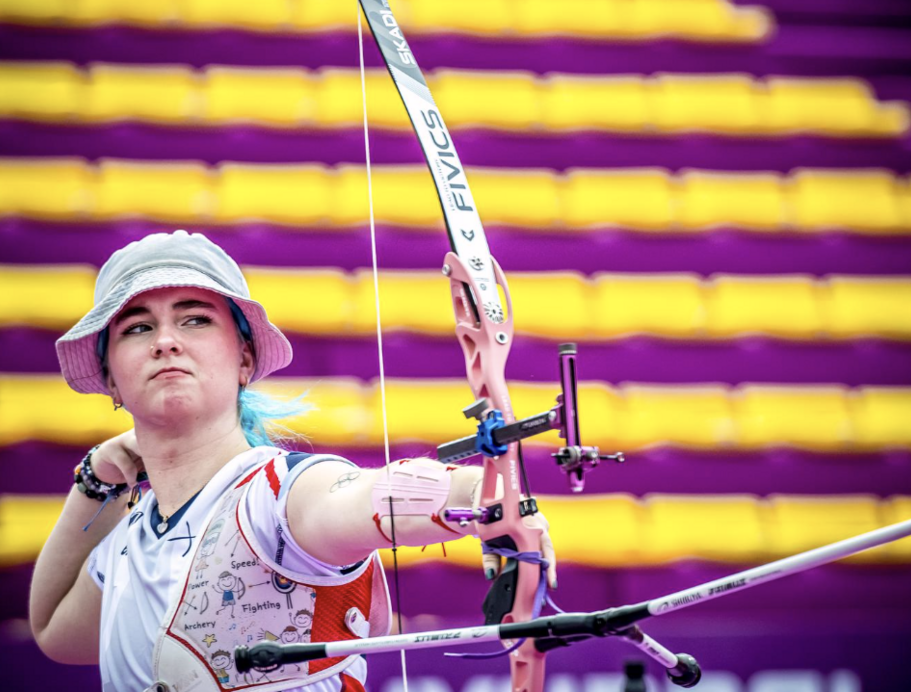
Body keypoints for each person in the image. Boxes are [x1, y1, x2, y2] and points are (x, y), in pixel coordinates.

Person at [28, 231, 555, 692]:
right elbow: (54, 631)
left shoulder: (279, 496)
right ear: (112, 379)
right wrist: (95, 479)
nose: (166, 341)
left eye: (194, 320)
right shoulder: (131, 540)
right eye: (137, 328)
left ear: (245, 359)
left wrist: (477, 497)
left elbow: (355, 496)